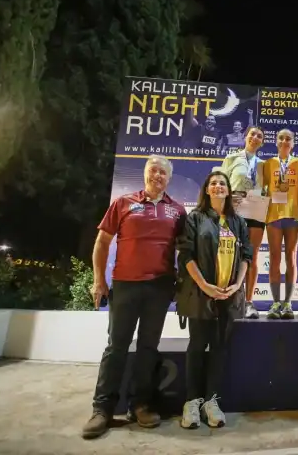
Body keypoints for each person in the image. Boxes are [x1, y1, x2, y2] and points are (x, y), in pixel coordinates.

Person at [82, 155, 186, 439]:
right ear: (145, 174)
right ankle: (102, 409)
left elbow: (185, 250)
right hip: (125, 285)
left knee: (148, 348)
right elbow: (102, 242)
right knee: (116, 347)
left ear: (169, 178)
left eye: (163, 172)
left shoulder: (178, 211)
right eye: (153, 170)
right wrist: (99, 281)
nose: (158, 176)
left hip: (160, 287)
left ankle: (140, 405)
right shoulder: (123, 202)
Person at [175, 171, 252, 429]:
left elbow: (247, 256)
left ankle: (211, 401)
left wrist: (237, 285)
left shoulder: (238, 222)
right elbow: (186, 255)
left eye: (222, 183)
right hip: (201, 294)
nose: (218, 186)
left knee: (219, 348)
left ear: (228, 190)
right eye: (213, 183)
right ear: (207, 190)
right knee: (197, 346)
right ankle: (191, 402)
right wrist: (204, 286)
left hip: (228, 296)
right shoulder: (195, 218)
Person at [219, 125, 266, 319]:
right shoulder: (231, 158)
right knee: (230, 255)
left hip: (256, 210)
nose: (255, 137)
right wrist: (228, 199)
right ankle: (228, 299)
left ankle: (248, 302)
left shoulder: (264, 165)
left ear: (262, 142)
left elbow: (267, 189)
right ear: (245, 137)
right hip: (235, 211)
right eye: (252, 134)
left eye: (259, 136)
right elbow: (221, 184)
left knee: (252, 256)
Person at [261, 128, 298, 319]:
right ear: (276, 141)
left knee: (291, 258)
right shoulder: (268, 163)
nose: (285, 141)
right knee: (274, 257)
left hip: (293, 215)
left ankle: (288, 303)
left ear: (293, 143)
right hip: (273, 215)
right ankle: (276, 302)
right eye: (281, 138)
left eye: (288, 139)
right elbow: (262, 188)